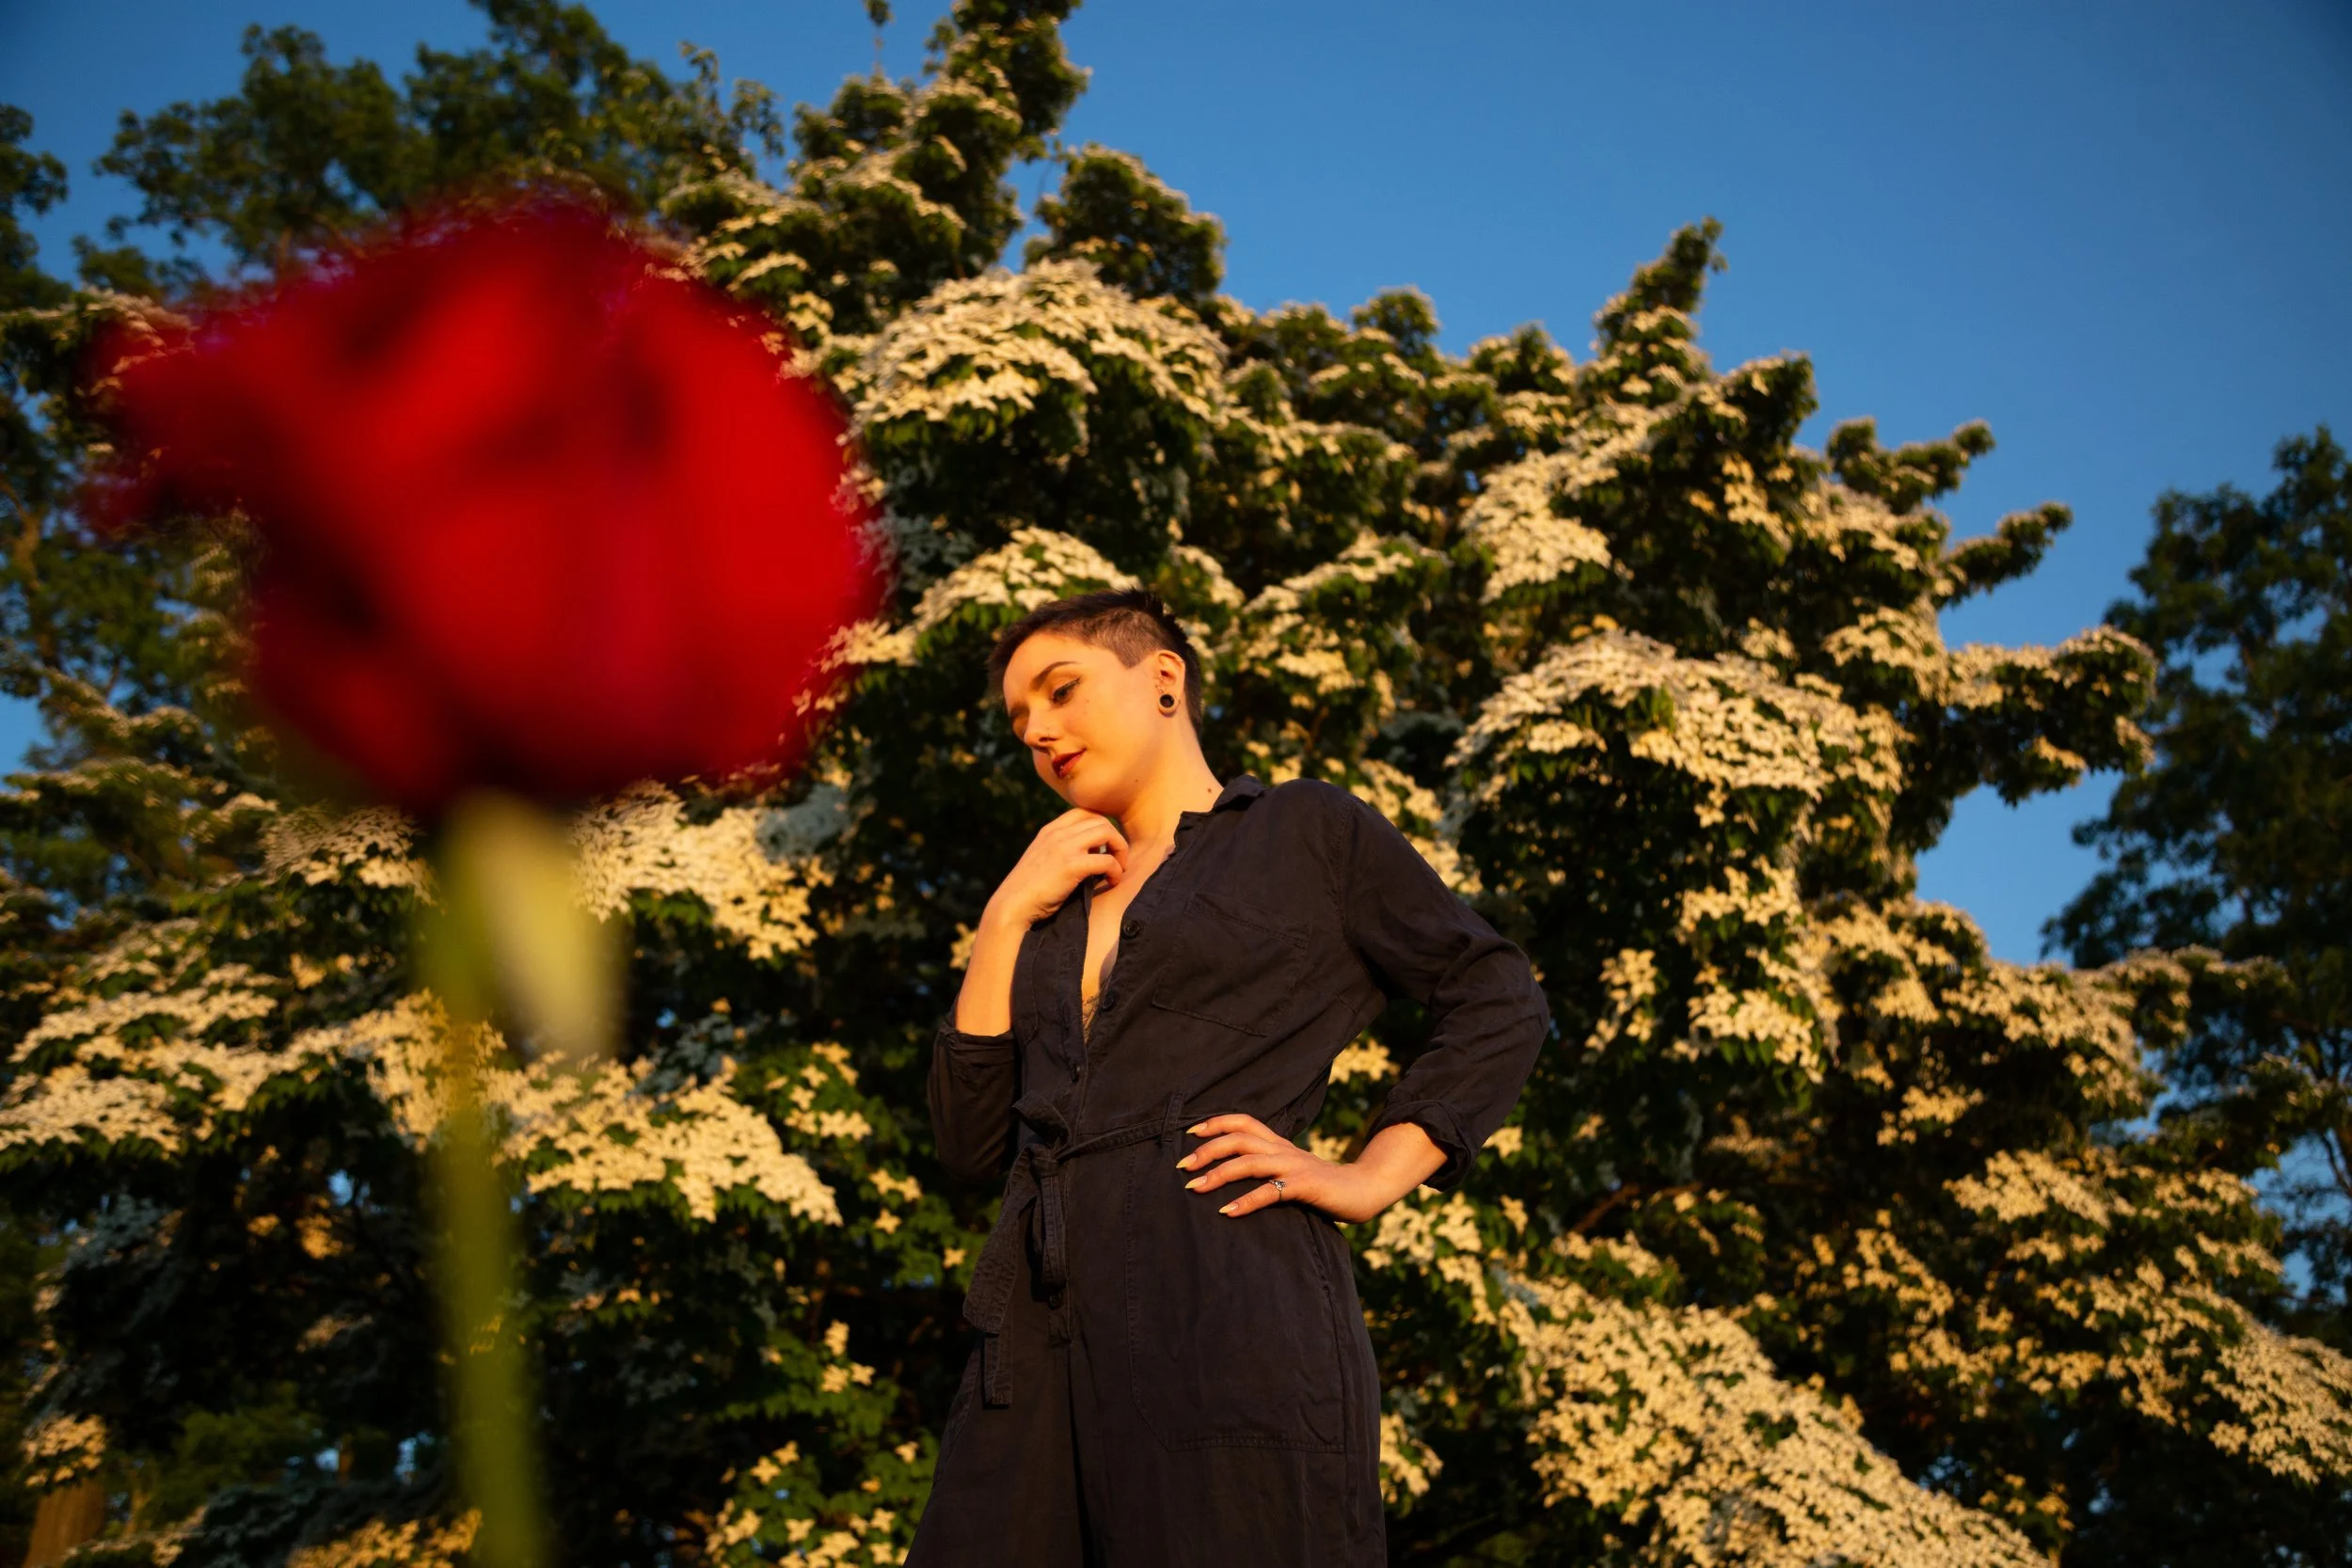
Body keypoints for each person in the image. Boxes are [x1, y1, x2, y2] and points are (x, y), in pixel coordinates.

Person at [907, 588, 1549, 1568]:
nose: (1037, 729)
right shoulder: (1047, 902)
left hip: (1226, 1297)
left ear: (1161, 677)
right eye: (1018, 719)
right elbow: (968, 1144)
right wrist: (1000, 919)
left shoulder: (1304, 831)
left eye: (1060, 688)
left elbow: (1496, 994)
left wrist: (1371, 1173)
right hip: (1032, 1339)